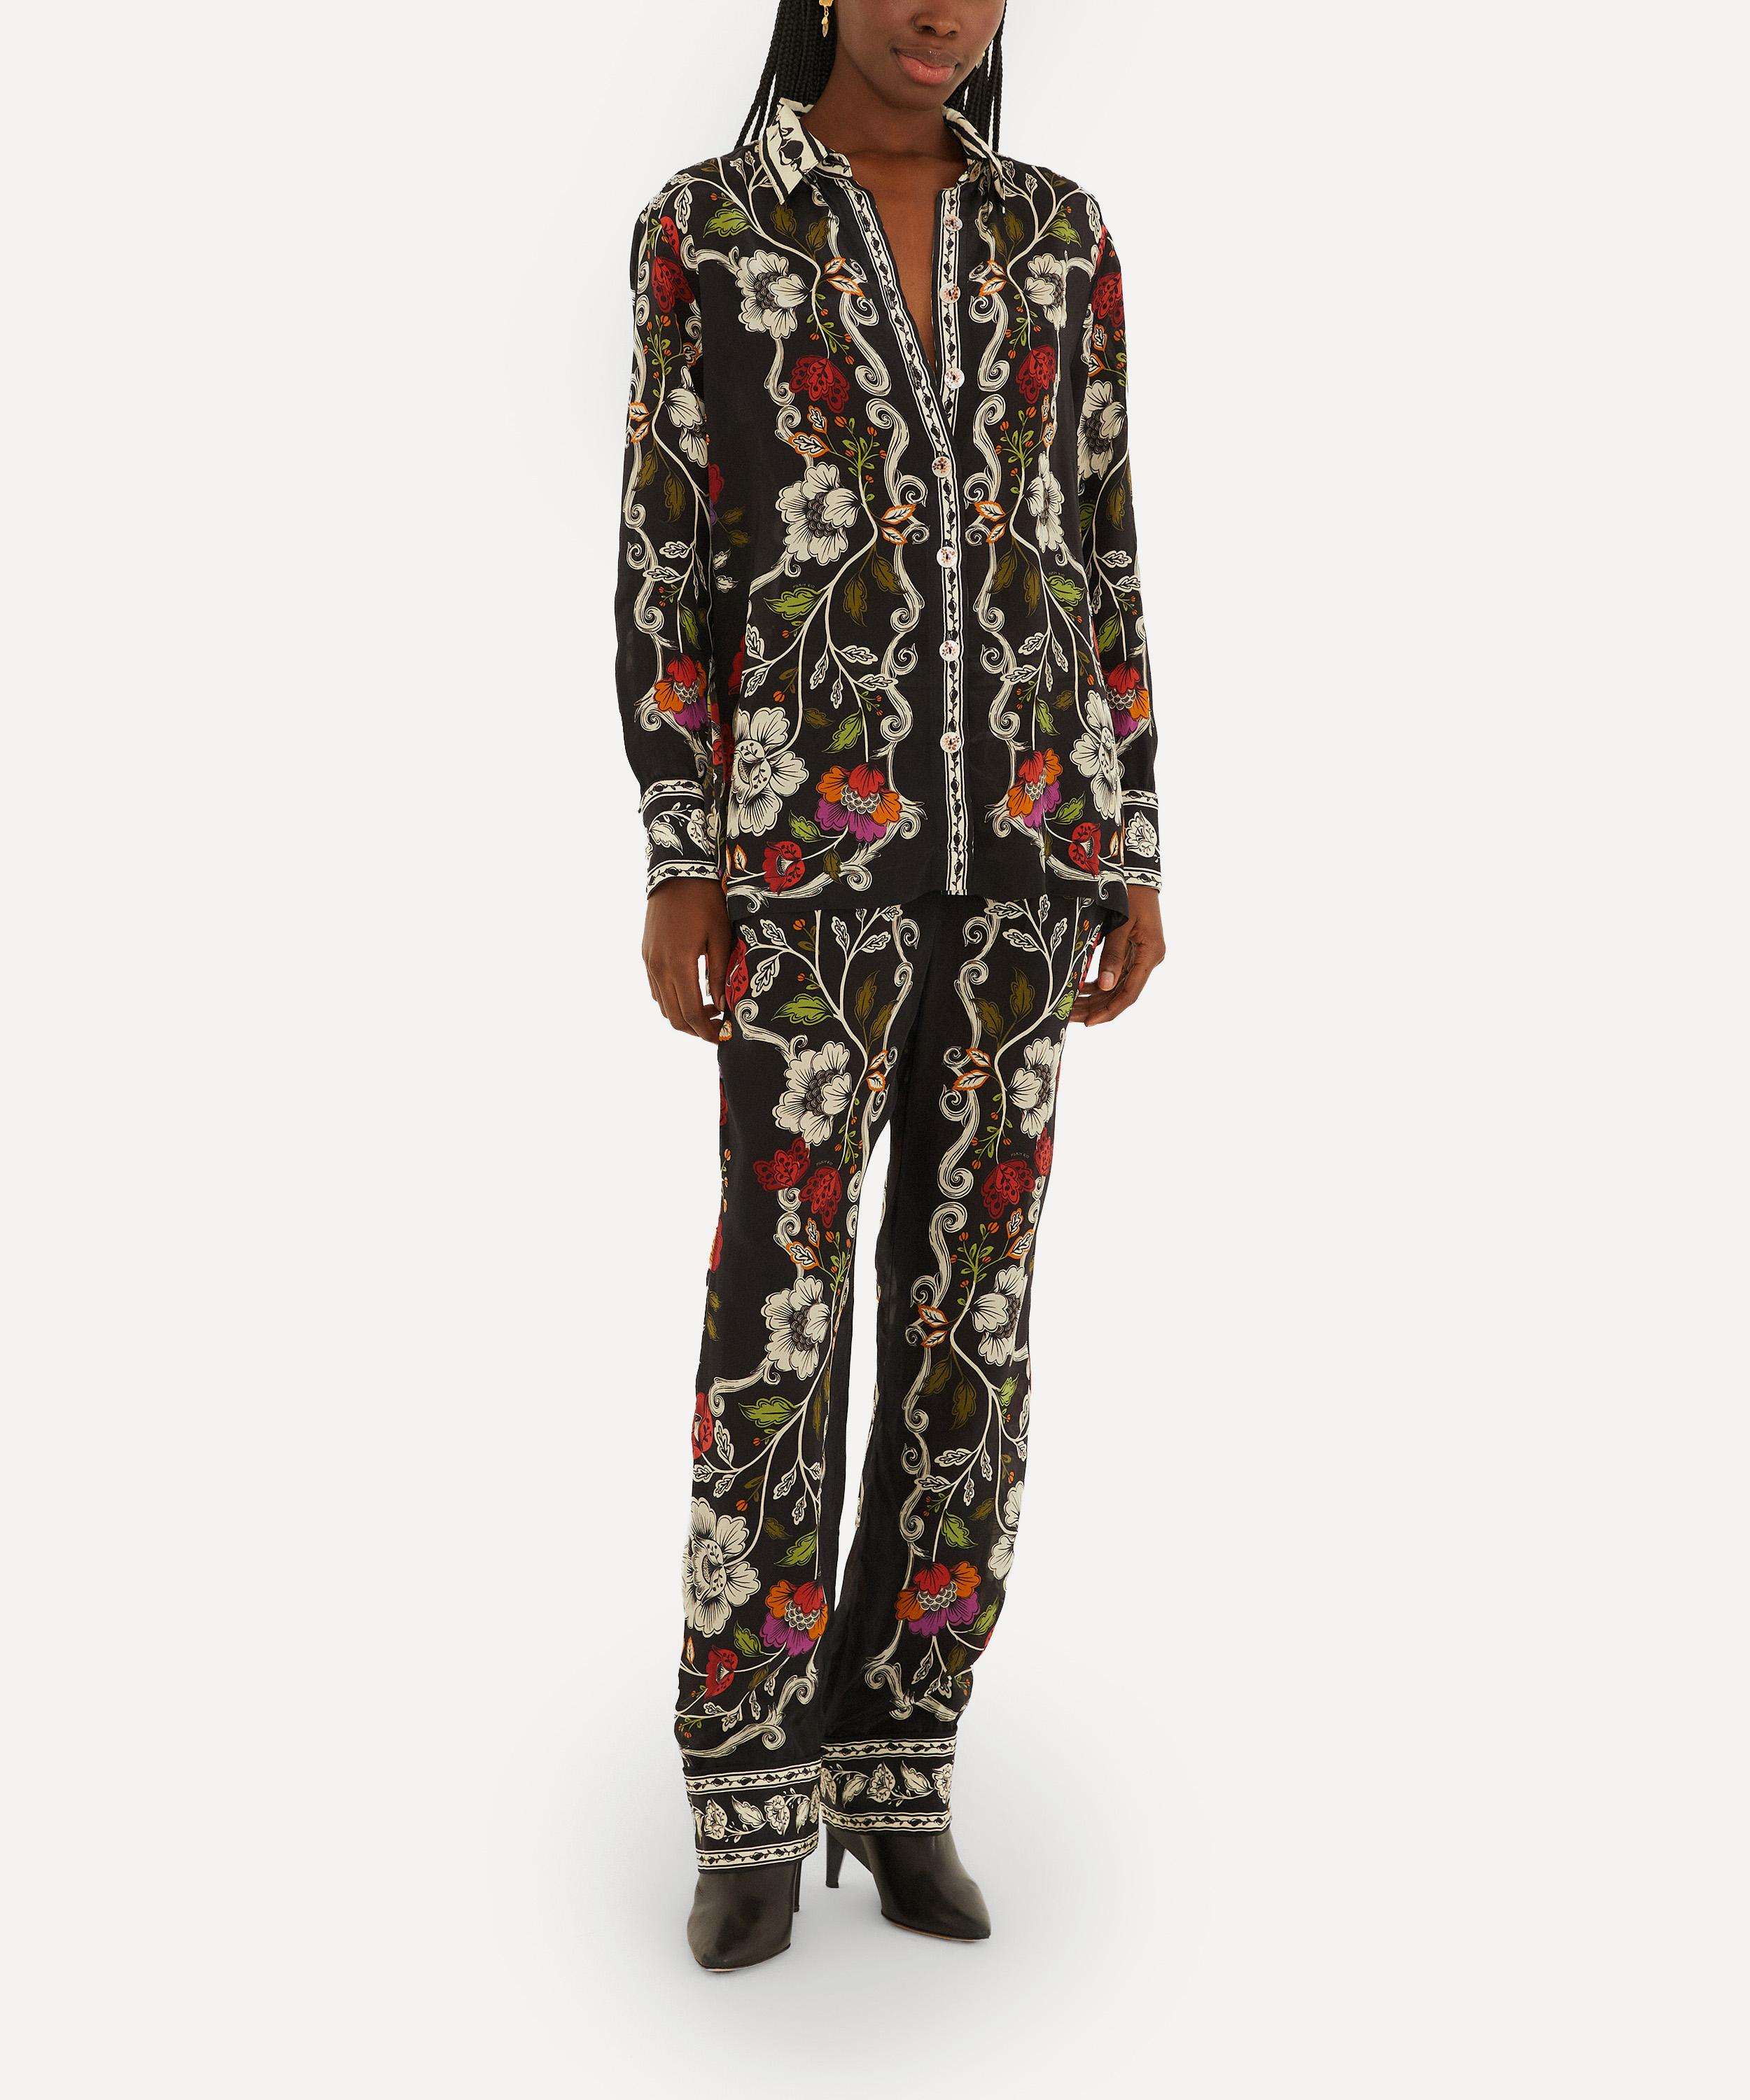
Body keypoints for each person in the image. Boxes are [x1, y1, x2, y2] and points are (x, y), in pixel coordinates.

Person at [614, 0, 1164, 1969]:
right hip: (803, 860)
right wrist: (683, 847)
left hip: (1027, 858)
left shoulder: (1058, 235)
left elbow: (1099, 544)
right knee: (781, 1320)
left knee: (971, 1324)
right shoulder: (707, 228)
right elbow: (670, 554)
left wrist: (1130, 832)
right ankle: (748, 1792)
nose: (946, 10)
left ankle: (898, 1756)